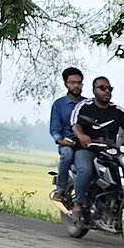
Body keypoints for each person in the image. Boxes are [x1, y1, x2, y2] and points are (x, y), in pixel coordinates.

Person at [68, 76, 124, 222]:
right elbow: (74, 123)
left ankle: (116, 203)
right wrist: (82, 136)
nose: (107, 91)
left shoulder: (116, 111)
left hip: (109, 150)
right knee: (86, 169)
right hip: (87, 149)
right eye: (102, 88)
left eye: (109, 89)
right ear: (94, 90)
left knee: (123, 171)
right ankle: (77, 205)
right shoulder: (85, 106)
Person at [48, 66, 84, 202]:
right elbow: (54, 129)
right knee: (67, 155)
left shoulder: (87, 103)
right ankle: (60, 188)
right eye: (72, 82)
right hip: (67, 142)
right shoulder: (59, 104)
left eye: (79, 82)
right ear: (66, 84)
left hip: (84, 143)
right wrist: (60, 140)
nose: (76, 85)